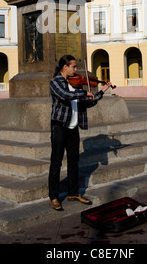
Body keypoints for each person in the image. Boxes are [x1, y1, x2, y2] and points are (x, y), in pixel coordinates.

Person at [49, 54, 112, 211]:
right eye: (74, 66)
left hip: (73, 127)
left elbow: (87, 102)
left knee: (74, 161)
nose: (76, 69)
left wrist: (102, 91)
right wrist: (84, 93)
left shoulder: (76, 84)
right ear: (65, 67)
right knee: (56, 162)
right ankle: (54, 196)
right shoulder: (56, 82)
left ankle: (73, 192)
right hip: (59, 126)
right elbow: (66, 96)